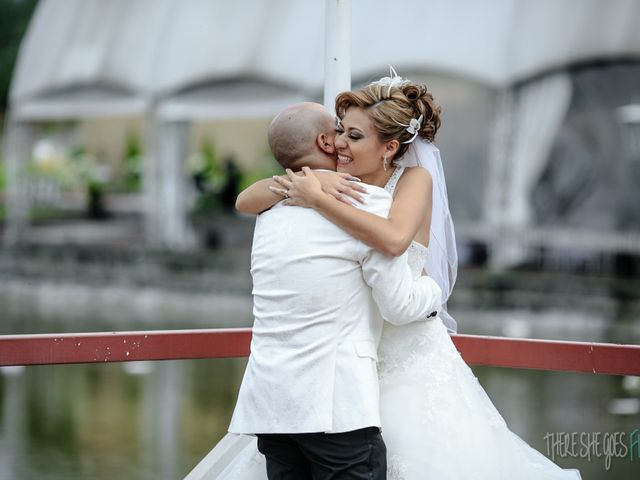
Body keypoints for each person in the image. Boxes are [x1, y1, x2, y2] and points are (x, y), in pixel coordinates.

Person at [188, 70, 583, 479]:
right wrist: (316, 181)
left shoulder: (411, 180)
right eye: (341, 131)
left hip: (398, 353)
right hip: (340, 372)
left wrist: (319, 198)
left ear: (390, 147)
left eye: (354, 136)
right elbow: (244, 200)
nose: (340, 142)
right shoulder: (333, 184)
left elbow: (394, 239)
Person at [185, 102, 444, 480]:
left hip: (272, 408)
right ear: (325, 140)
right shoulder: (365, 203)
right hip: (335, 410)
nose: (342, 140)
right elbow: (399, 305)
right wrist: (433, 291)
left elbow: (246, 199)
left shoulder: (269, 209)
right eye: (339, 131)